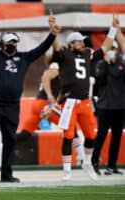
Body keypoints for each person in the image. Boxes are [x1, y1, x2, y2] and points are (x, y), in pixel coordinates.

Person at [0, 9, 60, 183]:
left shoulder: (24, 58)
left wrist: (52, 34)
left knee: (10, 140)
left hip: (12, 106)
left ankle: (7, 174)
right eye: (10, 42)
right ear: (3, 44)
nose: (13, 44)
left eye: (15, 42)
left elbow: (41, 49)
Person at [48, 15, 119, 181]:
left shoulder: (88, 53)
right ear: (71, 44)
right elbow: (56, 47)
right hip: (69, 102)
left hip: (85, 101)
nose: (82, 43)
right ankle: (66, 170)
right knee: (68, 135)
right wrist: (53, 32)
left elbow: (105, 47)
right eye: (79, 41)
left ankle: (86, 162)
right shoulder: (65, 54)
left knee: (91, 135)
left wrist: (113, 28)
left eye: (82, 41)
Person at [18, 61, 85, 164]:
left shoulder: (63, 70)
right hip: (45, 105)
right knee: (70, 126)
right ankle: (83, 157)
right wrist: (49, 95)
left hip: (38, 105)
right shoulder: (57, 66)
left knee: (24, 134)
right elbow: (45, 77)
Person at [91, 39, 125, 175]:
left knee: (117, 137)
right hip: (105, 107)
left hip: (120, 107)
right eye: (109, 49)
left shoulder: (121, 65)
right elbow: (100, 79)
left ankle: (112, 165)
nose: (111, 52)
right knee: (101, 136)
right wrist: (105, 63)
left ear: (117, 51)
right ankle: (94, 163)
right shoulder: (100, 64)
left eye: (114, 49)